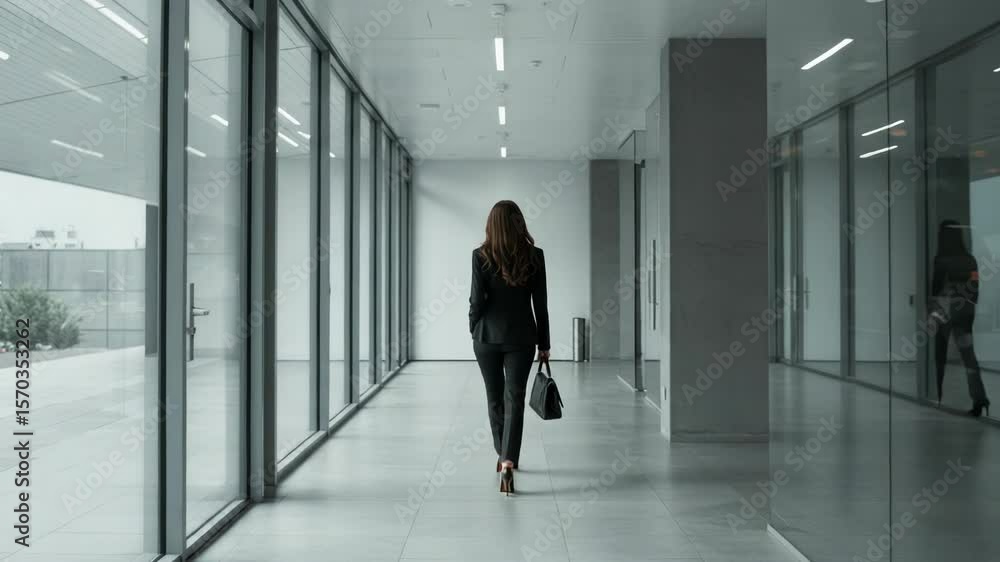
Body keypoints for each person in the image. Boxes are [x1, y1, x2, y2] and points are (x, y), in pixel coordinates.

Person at [469, 200, 550, 495]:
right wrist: (545, 343)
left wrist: (473, 328)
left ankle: (501, 454)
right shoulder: (535, 255)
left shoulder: (481, 255)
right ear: (519, 222)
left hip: (486, 337)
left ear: (492, 225)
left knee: (495, 399)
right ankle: (508, 462)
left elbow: (476, 300)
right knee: (514, 399)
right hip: (522, 338)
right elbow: (540, 304)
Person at [931, 219, 990, 417]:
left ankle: (935, 395)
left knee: (939, 355)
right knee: (969, 357)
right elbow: (975, 287)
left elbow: (936, 288)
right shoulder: (970, 259)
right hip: (965, 311)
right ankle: (979, 399)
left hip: (945, 309)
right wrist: (969, 306)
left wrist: (934, 312)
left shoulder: (942, 259)